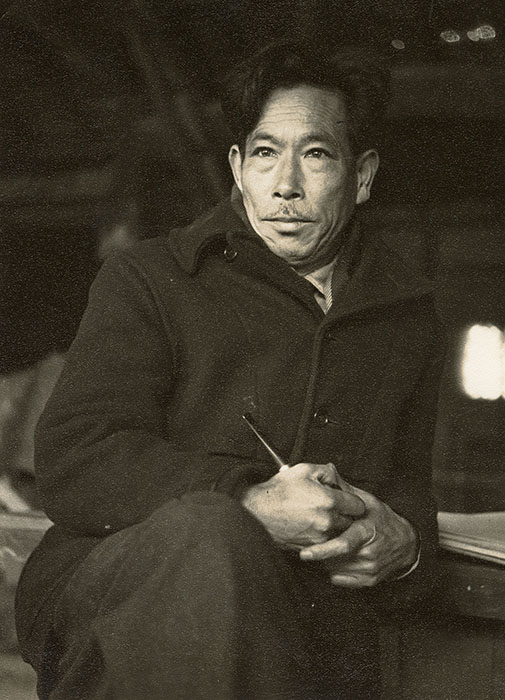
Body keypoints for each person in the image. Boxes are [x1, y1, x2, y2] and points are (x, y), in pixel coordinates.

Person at [15, 41, 445, 700]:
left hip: (309, 624)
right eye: (266, 154)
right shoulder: (149, 278)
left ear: (361, 176)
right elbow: (78, 459)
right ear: (238, 168)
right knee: (209, 534)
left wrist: (405, 542)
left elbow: (407, 483)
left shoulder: (405, 311)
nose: (285, 186)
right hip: (117, 598)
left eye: (316, 155)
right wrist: (246, 500)